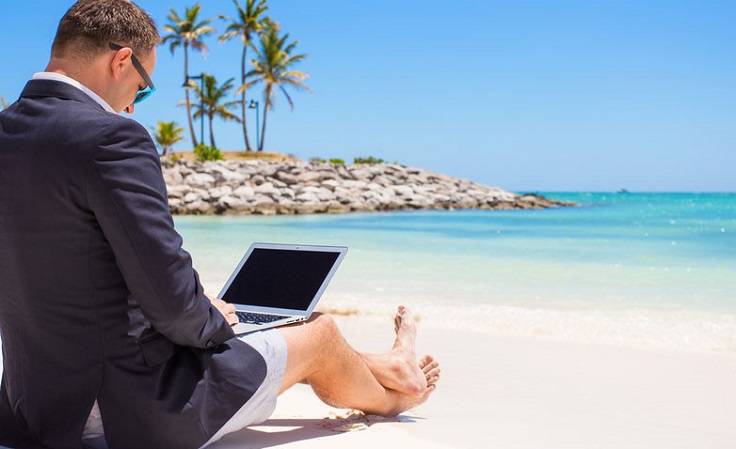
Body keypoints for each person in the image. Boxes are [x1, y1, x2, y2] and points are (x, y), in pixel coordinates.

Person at [0, 1, 440, 448]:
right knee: (319, 332)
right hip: (125, 412)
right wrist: (217, 321)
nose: (133, 105)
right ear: (120, 60)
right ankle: (394, 399)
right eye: (143, 87)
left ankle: (391, 365)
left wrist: (202, 310)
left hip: (33, 409)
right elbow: (173, 308)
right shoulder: (112, 137)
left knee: (267, 326)